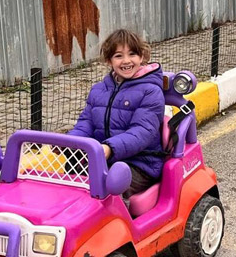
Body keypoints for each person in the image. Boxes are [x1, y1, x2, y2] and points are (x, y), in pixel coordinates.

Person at [69, 29, 166, 198]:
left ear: (141, 57)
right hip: (104, 158)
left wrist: (109, 148)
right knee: (70, 175)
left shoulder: (151, 91)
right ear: (109, 60)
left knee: (110, 187)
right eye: (118, 56)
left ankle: (116, 223)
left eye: (132, 54)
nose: (126, 61)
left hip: (140, 163)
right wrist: (71, 142)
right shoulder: (99, 90)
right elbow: (87, 123)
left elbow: (141, 132)